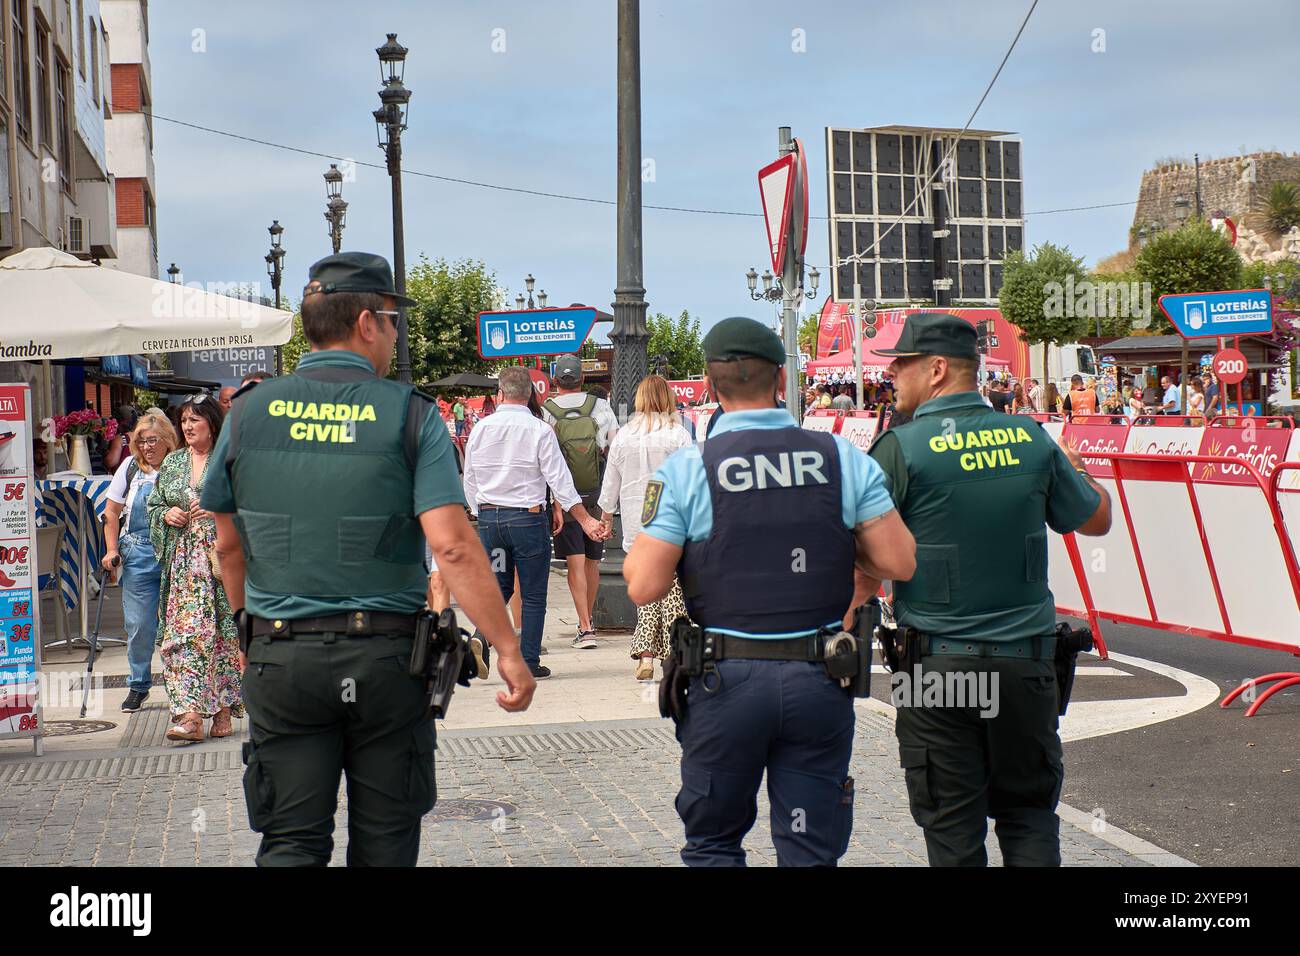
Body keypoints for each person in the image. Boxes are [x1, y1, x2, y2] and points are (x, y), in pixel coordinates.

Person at [203, 251, 535, 867]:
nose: (394, 333)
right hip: (386, 660)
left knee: (291, 840)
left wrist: (250, 628)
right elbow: (454, 545)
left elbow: (228, 545)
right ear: (365, 322)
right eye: (391, 320)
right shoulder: (410, 415)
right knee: (385, 842)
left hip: (282, 656)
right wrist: (509, 649)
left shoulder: (247, 411)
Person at [624, 317, 916, 866]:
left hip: (723, 683)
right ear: (781, 382)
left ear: (710, 388)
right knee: (809, 846)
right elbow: (899, 561)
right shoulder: (841, 458)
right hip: (819, 677)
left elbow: (643, 585)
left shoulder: (689, 469)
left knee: (714, 843)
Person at [867, 312, 1112, 866]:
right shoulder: (1030, 437)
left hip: (935, 673)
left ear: (935, 370)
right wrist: (1081, 469)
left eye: (901, 365)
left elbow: (860, 556)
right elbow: (1097, 519)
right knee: (1029, 818)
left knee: (952, 830)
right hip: (1027, 669)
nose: (892, 377)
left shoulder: (899, 449)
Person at [464, 365, 606, 679]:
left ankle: (478, 636)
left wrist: (481, 510)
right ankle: (528, 662)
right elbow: (559, 479)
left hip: (491, 518)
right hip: (526, 519)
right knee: (532, 592)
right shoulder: (539, 430)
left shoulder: (480, 429)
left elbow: (470, 479)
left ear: (499, 393)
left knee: (500, 585)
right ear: (530, 395)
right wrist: (583, 520)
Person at [147, 394, 241, 742]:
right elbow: (153, 506)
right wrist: (166, 515)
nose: (186, 426)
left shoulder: (230, 459)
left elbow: (250, 503)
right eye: (184, 420)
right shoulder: (172, 464)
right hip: (184, 566)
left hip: (221, 562)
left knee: (220, 637)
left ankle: (222, 710)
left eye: (194, 420)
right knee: (182, 638)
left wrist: (220, 509)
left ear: (211, 424)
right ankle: (189, 716)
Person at [596, 375, 693, 681]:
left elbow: (610, 483)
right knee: (675, 590)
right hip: (672, 520)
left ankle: (646, 656)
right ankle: (678, 653)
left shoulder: (623, 436)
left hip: (638, 522)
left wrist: (606, 518)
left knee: (646, 590)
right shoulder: (678, 435)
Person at [102, 411, 179, 712]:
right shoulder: (130, 467)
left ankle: (180, 688)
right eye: (141, 441)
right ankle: (138, 684)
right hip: (138, 553)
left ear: (167, 441)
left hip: (175, 553)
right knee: (139, 625)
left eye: (153, 440)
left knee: (177, 626)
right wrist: (111, 551)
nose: (147, 447)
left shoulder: (180, 465)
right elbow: (111, 513)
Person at [542, 354, 619, 649]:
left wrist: (555, 502)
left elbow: (547, 460)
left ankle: (585, 627)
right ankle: (588, 624)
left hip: (565, 496)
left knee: (574, 562)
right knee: (593, 561)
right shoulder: (600, 407)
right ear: (582, 379)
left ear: (556, 381)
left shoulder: (547, 411)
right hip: (597, 493)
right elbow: (614, 448)